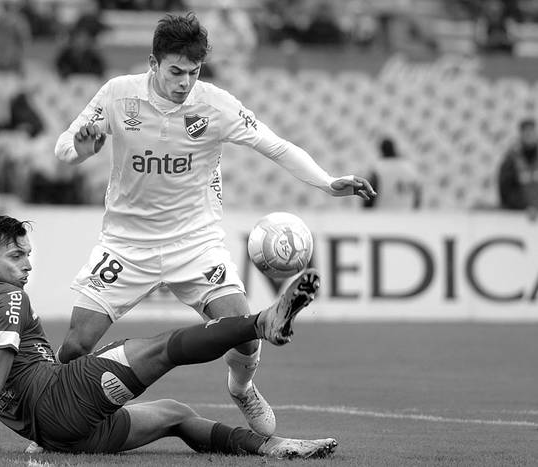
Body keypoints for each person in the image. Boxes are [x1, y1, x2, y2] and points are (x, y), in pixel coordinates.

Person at [54, 12, 376, 437]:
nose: (184, 82)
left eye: (193, 71)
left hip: (195, 241)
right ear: (153, 63)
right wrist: (81, 149)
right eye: (174, 71)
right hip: (126, 242)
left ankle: (242, 387)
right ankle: (54, 416)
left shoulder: (215, 104)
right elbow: (63, 149)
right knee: (76, 344)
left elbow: (275, 146)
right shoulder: (118, 95)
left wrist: (328, 182)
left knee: (244, 334)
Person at [0, 215, 337, 459]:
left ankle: (274, 448)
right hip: (59, 398)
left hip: (51, 434)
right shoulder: (9, 297)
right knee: (160, 348)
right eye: (16, 256)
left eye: (28, 254)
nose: (27, 265)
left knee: (174, 413)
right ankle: (263, 321)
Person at [363, 137, 421, 209]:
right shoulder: (410, 168)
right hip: (407, 215)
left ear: (381, 150)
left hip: (384, 215)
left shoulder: (378, 169)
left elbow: (369, 197)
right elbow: (417, 195)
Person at [498, 118, 538, 220]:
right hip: (519, 215)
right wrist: (525, 206)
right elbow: (506, 189)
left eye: (531, 131)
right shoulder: (512, 158)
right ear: (521, 134)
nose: (529, 135)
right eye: (526, 131)